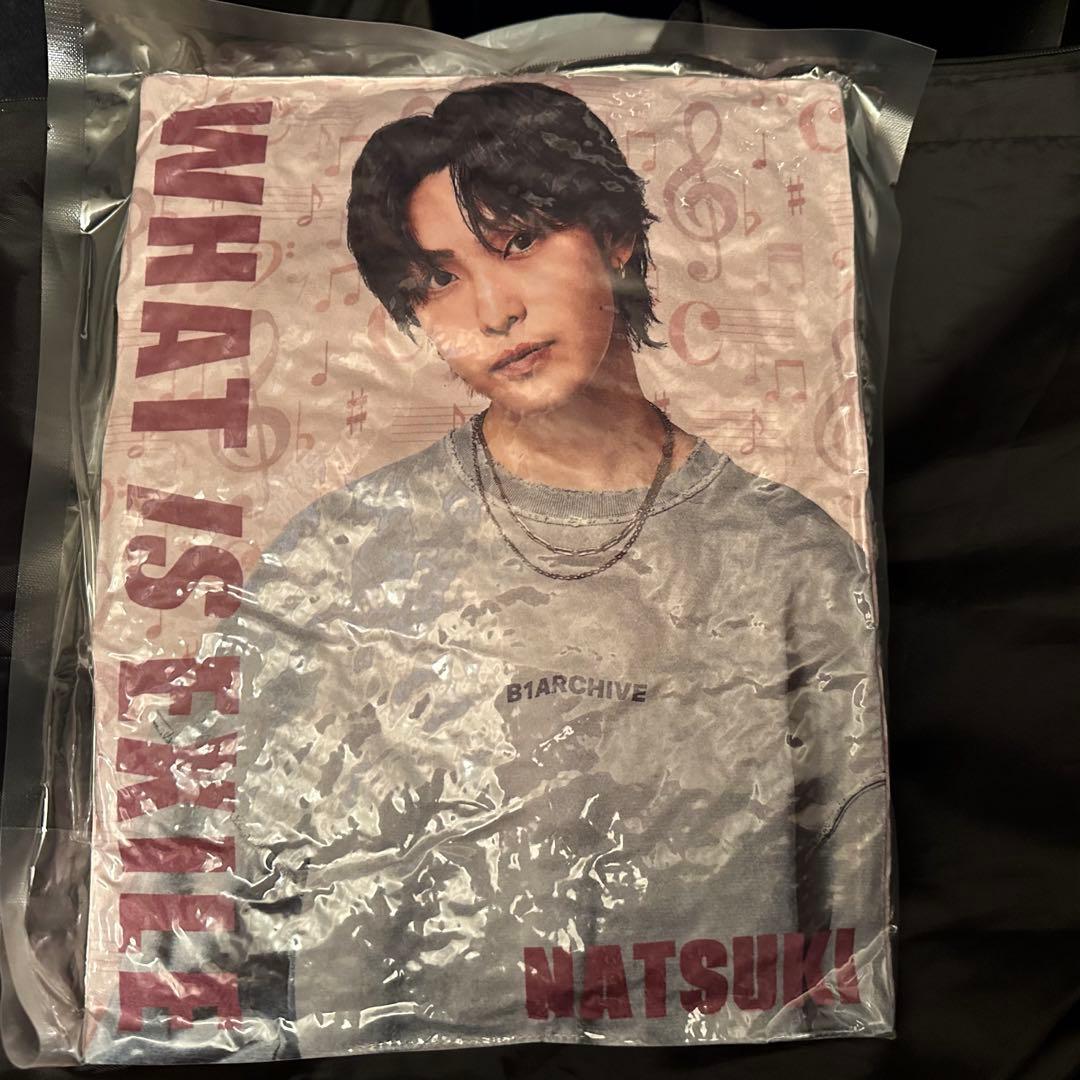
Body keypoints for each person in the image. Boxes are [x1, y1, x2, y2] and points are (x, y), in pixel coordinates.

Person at [219, 80, 891, 1057]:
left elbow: (854, 939)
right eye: (439, 278)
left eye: (519, 243)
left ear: (614, 236)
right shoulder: (337, 555)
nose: (494, 310)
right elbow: (259, 928)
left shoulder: (794, 556)